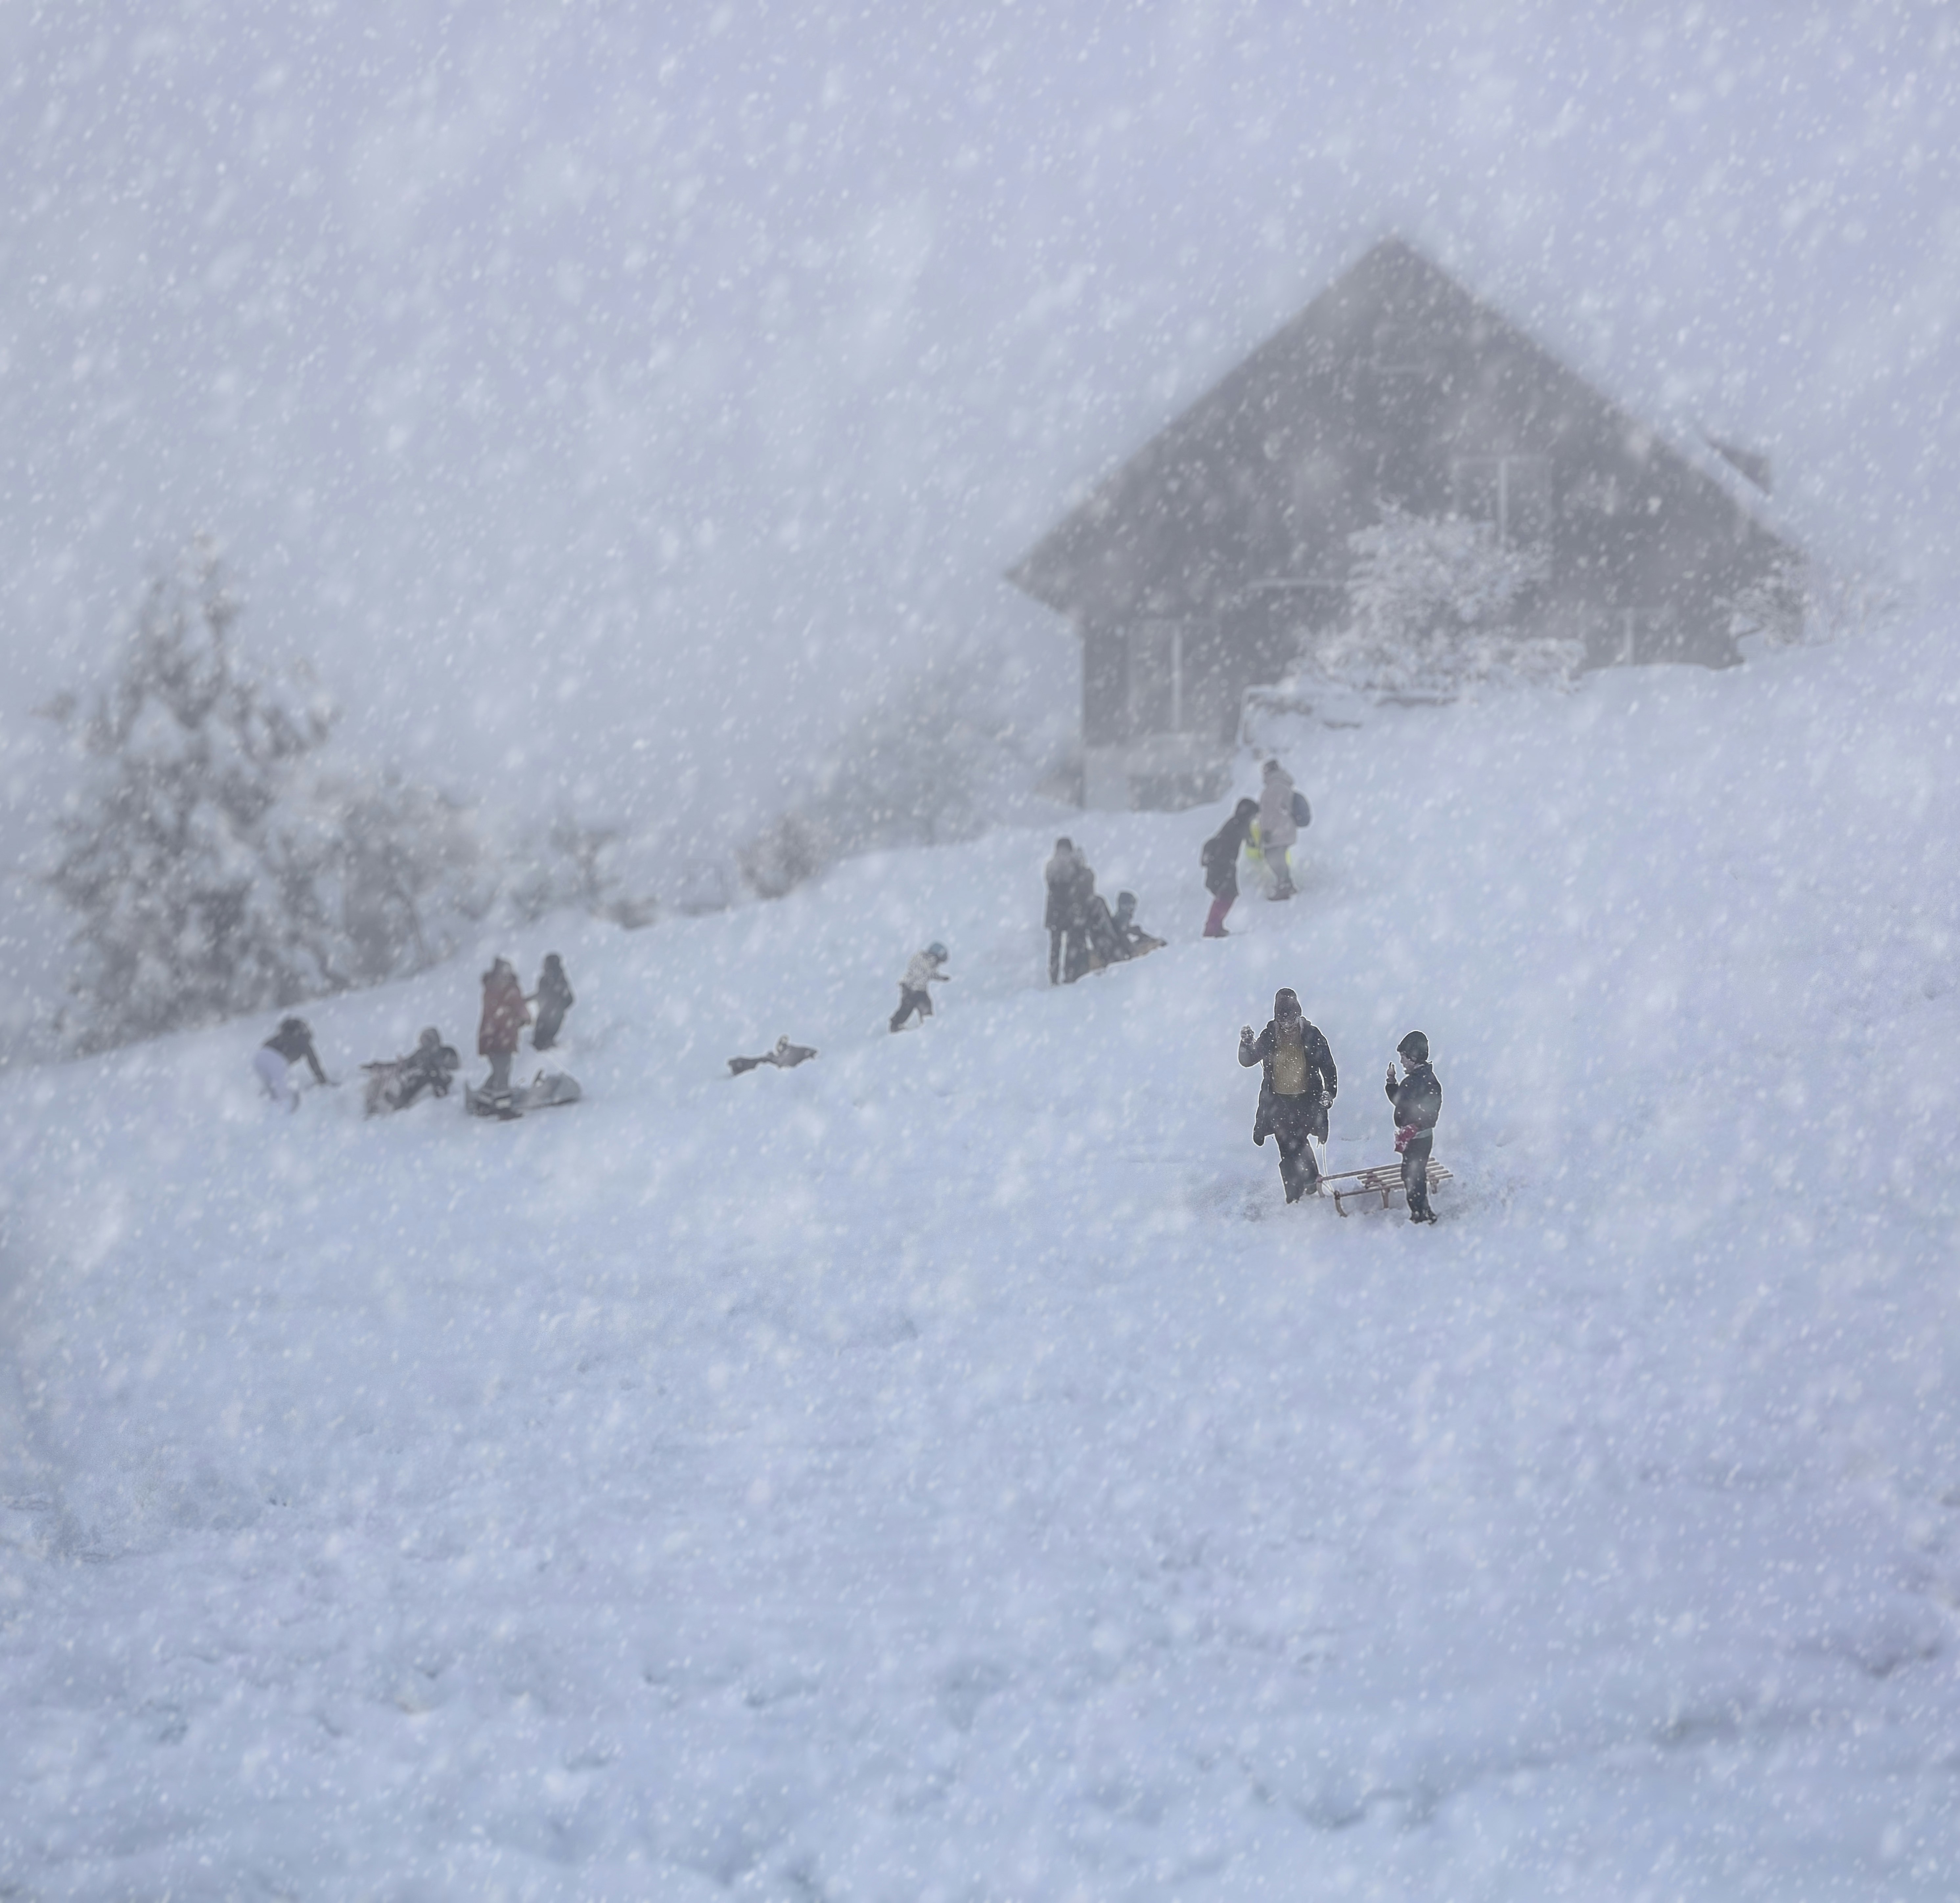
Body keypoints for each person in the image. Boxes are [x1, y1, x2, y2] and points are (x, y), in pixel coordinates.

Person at [1239, 988, 1338, 1203]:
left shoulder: (1312, 1035)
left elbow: (1328, 1067)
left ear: (1299, 1014)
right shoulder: (1270, 1035)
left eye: (1291, 1019)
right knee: (1286, 1147)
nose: (1287, 1025)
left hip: (1306, 1099)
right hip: (1279, 1102)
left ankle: (1312, 1183)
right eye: (1282, 1020)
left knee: (1300, 1142)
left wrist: (1329, 1092)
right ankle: (1294, 1196)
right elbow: (1249, 1060)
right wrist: (1246, 1044)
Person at [1385, 1030, 1443, 1224]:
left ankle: (1420, 1214)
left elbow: (1401, 1101)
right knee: (1416, 1174)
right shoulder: (1424, 1079)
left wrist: (1415, 1125)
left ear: (1413, 1057)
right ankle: (1422, 1211)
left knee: (1412, 1176)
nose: (1401, 1062)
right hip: (1421, 1138)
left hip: (1417, 1139)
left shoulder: (1416, 1082)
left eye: (1403, 1057)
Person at [361, 1027, 461, 1115]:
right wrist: (377, 1066)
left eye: (427, 1041)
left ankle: (402, 1102)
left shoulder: (446, 1051)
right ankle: (400, 1102)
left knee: (429, 1074)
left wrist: (436, 1065)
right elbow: (403, 1065)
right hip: (423, 1080)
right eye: (423, 1042)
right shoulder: (421, 1054)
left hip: (441, 1080)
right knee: (414, 1079)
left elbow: (455, 1065)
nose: (424, 1045)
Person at [1200, 798, 1260, 938]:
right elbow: (1251, 842)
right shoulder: (1240, 825)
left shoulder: (1234, 822)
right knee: (1226, 896)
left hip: (1221, 864)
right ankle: (1212, 928)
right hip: (1223, 865)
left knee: (1225, 896)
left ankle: (1215, 926)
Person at [478, 956, 531, 1108]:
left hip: (493, 1037)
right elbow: (517, 1007)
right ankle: (503, 1107)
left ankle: (483, 1102)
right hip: (501, 1037)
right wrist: (523, 1018)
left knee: (498, 1071)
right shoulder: (507, 989)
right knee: (503, 1072)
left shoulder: (492, 988)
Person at [1044, 838, 1095, 984]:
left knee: (1055, 947)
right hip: (1069, 911)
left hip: (1053, 913)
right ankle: (1069, 974)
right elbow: (1082, 881)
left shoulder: (1050, 865)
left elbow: (1049, 884)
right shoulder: (1074, 862)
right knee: (1071, 945)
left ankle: (1053, 977)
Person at [255, 1015, 331, 1111]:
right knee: (286, 1094)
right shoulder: (303, 1041)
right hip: (274, 1058)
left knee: (271, 1088)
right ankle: (286, 1114)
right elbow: (313, 1062)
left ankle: (263, 1108)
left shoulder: (280, 1039)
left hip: (259, 1057)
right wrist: (322, 1080)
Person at [1258, 759, 1300, 899]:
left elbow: (1270, 813)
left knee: (1273, 857)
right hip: (1287, 829)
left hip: (1277, 831)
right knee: (1279, 857)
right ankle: (1287, 885)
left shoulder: (1273, 788)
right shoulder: (1284, 785)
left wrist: (1266, 831)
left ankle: (1284, 886)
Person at [891, 942, 951, 1032]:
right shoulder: (925, 961)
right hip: (911, 989)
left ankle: (928, 1023)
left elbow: (930, 973)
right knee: (907, 1007)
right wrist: (906, 983)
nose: (938, 965)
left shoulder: (928, 962)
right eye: (939, 961)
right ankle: (895, 1025)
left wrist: (941, 978)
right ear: (935, 957)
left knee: (925, 1004)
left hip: (919, 989)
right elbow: (920, 972)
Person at [531, 953, 575, 1052]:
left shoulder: (551, 979)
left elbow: (570, 999)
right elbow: (571, 1000)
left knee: (541, 1045)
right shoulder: (560, 979)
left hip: (547, 1016)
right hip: (551, 1016)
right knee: (544, 1045)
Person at [729, 1035, 820, 1076]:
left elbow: (787, 1061)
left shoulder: (801, 1056)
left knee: (759, 1062)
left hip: (778, 1063)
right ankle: (739, 1064)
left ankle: (739, 1065)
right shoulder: (802, 1054)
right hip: (778, 1062)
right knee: (759, 1061)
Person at [1111, 891, 1165, 958]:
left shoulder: (1119, 922)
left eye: (1133, 906)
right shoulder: (1122, 920)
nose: (1132, 910)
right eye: (1130, 906)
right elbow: (1123, 935)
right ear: (1123, 906)